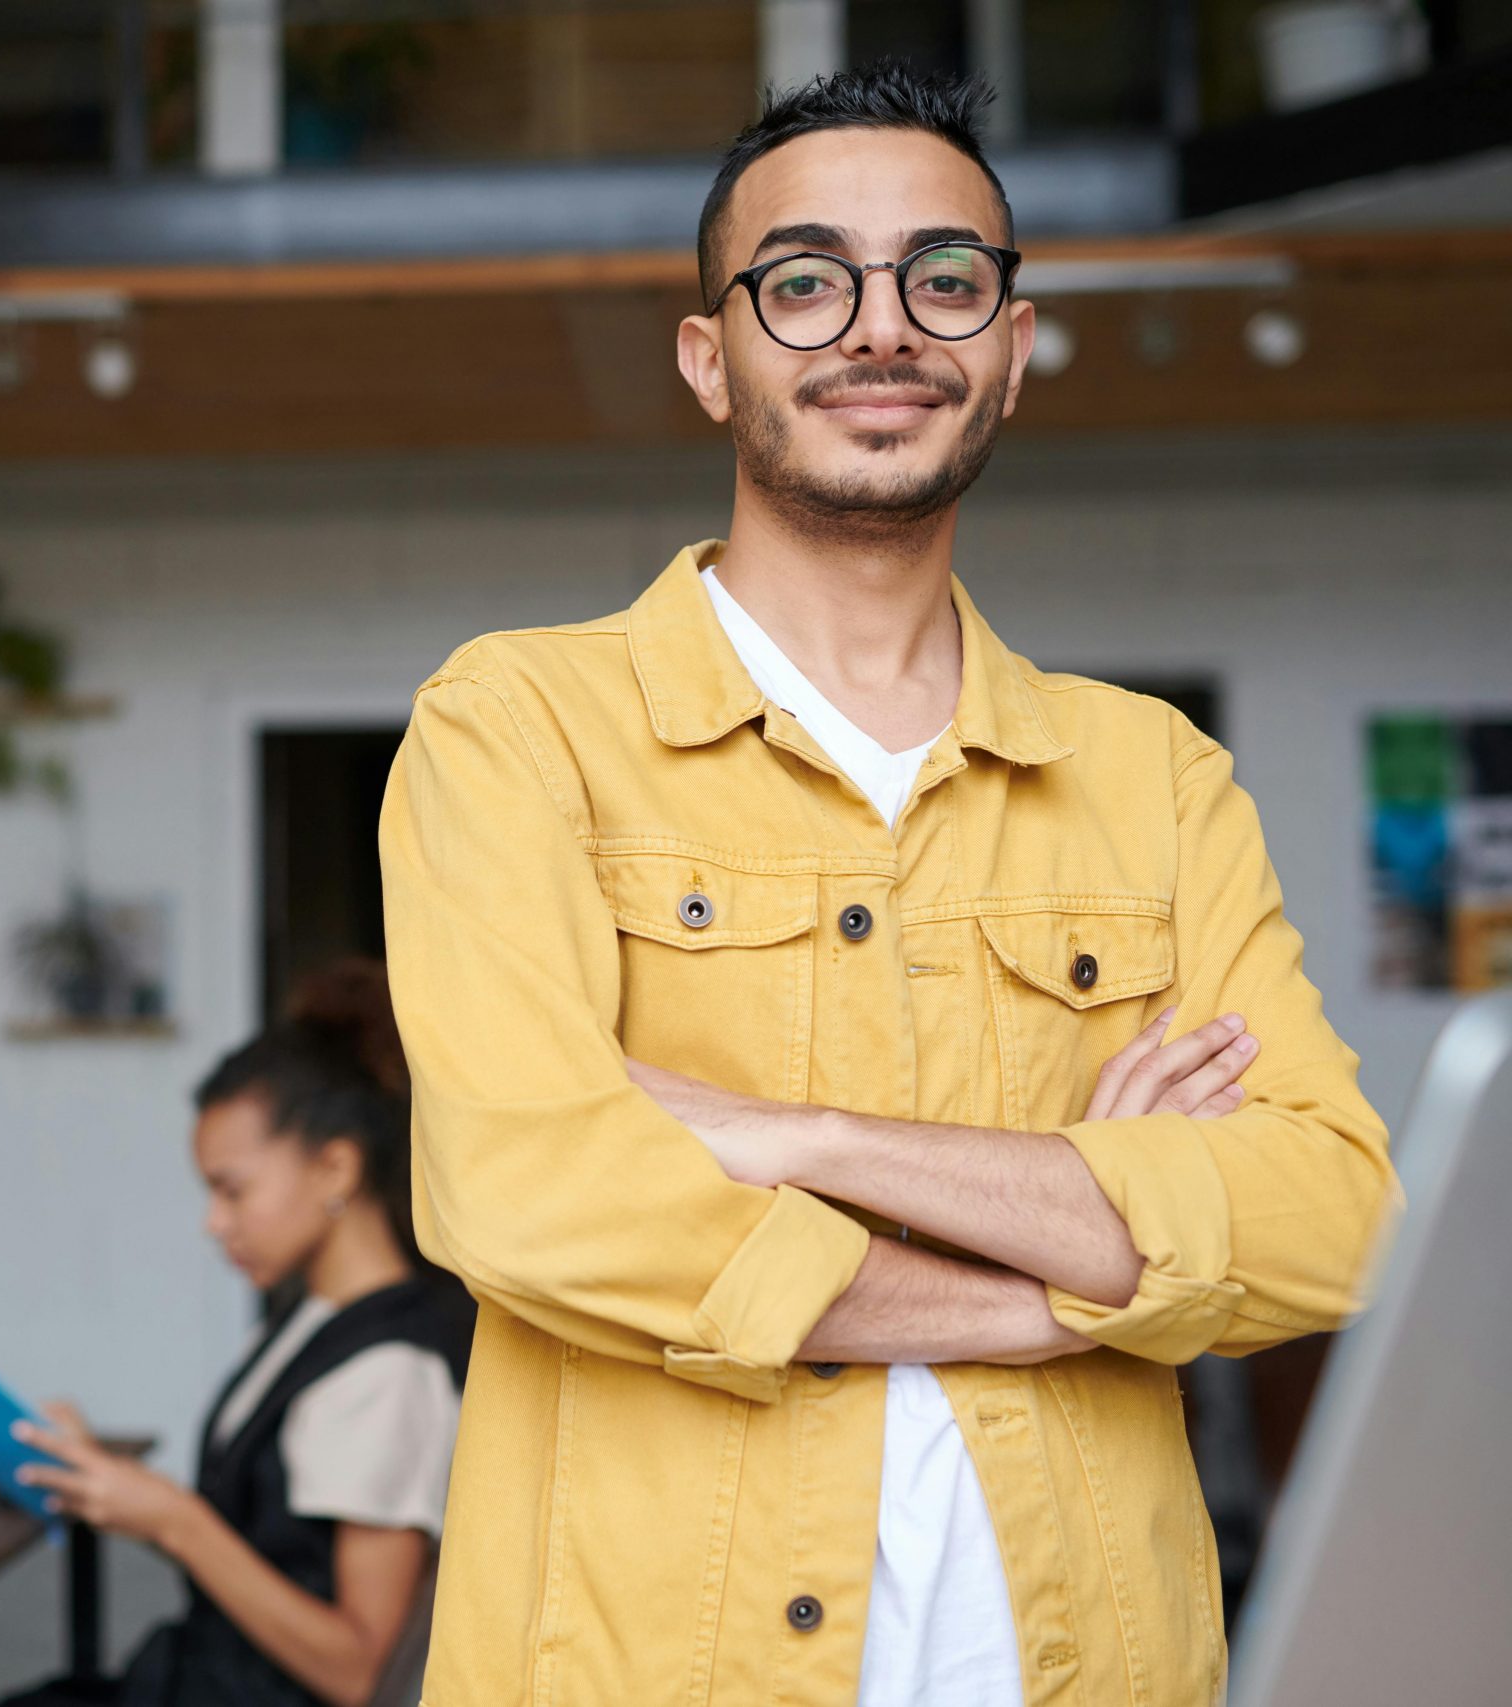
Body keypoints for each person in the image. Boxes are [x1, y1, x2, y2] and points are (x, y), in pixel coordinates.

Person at [378, 65, 1397, 1707]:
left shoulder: (1155, 780)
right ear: (712, 357)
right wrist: (1066, 1278)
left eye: (944, 277)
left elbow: (1329, 1223)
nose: (881, 326)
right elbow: (530, 1193)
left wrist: (807, 1142)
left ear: (1010, 344)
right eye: (804, 282)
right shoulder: (518, 728)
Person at [0, 961, 472, 1707]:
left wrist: (176, 1519)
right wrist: (113, 1485)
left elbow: (358, 1671)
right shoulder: (312, 1320)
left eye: (233, 1188)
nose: (214, 1222)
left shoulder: (389, 1371)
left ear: (335, 1167)